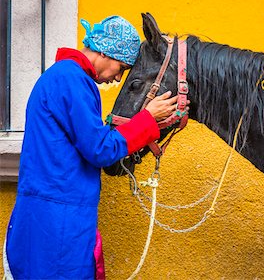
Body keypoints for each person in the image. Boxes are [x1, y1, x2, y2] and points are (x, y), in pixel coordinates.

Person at [3, 16, 178, 279]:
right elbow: (99, 149)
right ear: (106, 52)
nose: (117, 78)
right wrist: (147, 119)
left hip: (50, 214)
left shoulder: (61, 77)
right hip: (58, 221)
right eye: (120, 67)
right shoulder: (73, 80)